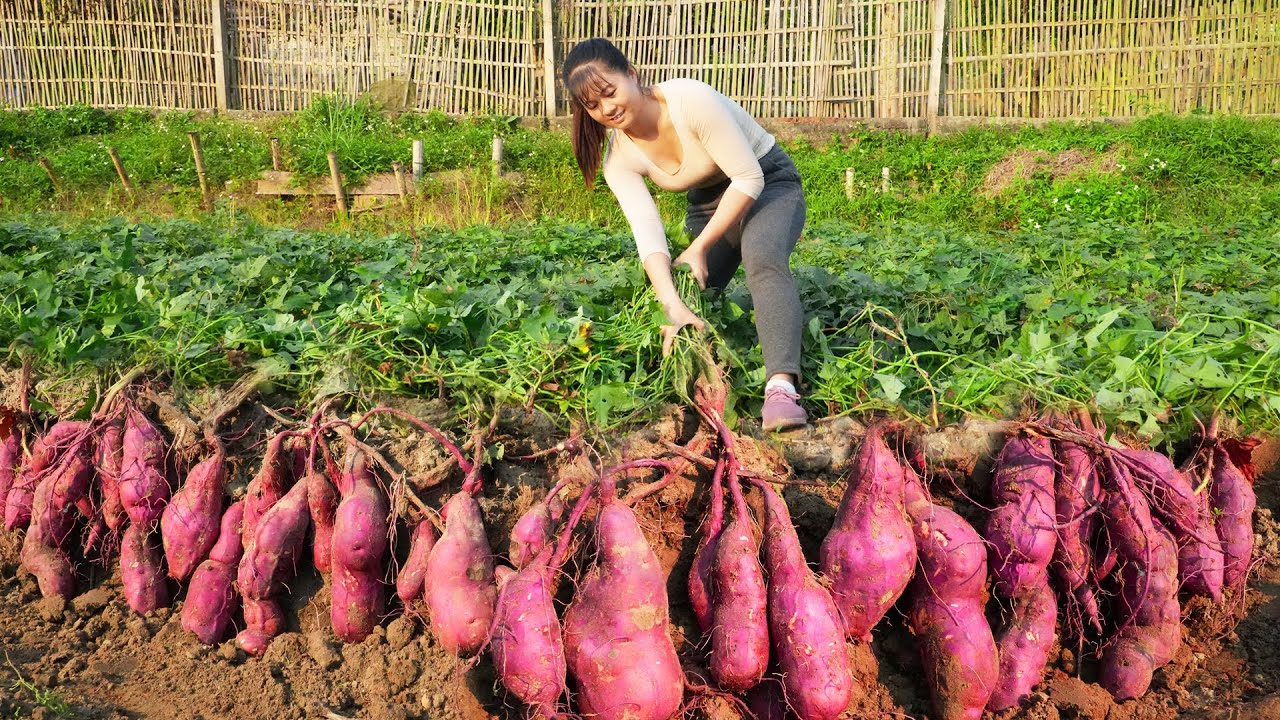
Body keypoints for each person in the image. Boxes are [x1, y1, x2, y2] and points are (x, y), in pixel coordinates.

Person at [562, 37, 810, 432]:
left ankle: (781, 387)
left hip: (768, 182)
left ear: (631, 74)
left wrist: (699, 246)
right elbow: (648, 234)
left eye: (609, 93)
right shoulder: (618, 158)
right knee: (686, 289)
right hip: (710, 204)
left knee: (762, 259)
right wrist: (671, 302)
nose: (606, 109)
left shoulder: (689, 99)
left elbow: (748, 178)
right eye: (592, 105)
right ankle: (689, 384)